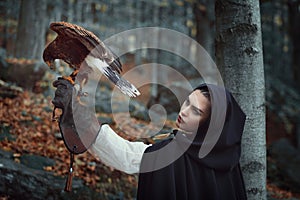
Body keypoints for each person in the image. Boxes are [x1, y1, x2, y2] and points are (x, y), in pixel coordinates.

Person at [52, 78, 247, 200]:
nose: (184, 112)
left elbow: (128, 157)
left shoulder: (176, 152)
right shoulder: (227, 157)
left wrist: (80, 116)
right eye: (187, 102)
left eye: (196, 111)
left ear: (211, 123)